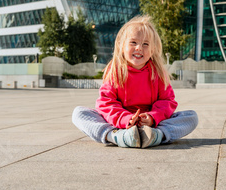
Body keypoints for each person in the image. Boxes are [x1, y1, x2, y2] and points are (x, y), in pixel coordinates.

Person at [72, 15, 198, 148]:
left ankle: (156, 135)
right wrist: (125, 119)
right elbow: (106, 103)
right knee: (79, 113)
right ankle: (116, 136)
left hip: (151, 125)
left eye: (145, 44)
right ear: (122, 46)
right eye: (133, 43)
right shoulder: (115, 71)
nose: (139, 48)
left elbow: (167, 102)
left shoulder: (158, 73)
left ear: (152, 50)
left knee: (191, 117)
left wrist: (152, 118)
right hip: (119, 124)